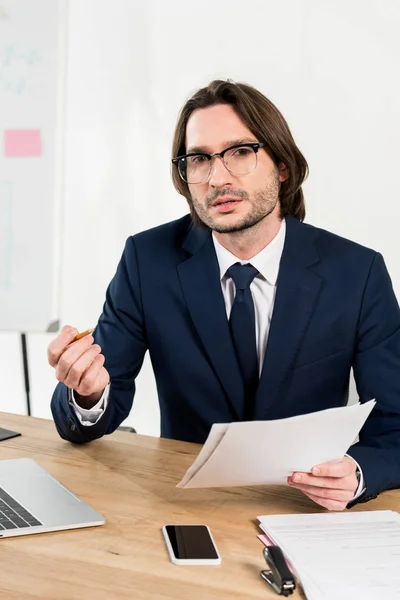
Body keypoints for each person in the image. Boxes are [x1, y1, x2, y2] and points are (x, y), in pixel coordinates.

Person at [49, 79, 400, 511]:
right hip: (186, 503)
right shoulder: (147, 260)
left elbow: (395, 426)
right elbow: (94, 410)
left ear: (282, 165)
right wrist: (86, 393)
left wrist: (358, 474)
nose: (218, 178)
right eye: (199, 159)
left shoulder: (357, 273)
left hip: (304, 504)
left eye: (240, 153)